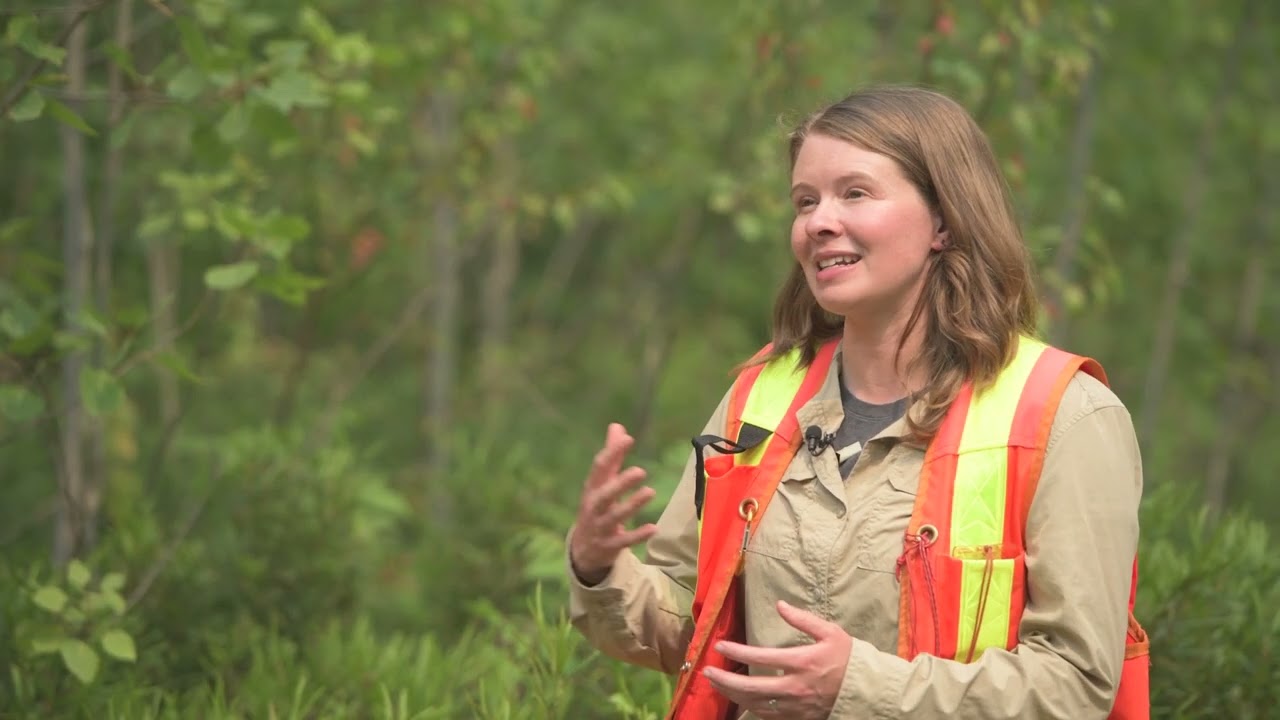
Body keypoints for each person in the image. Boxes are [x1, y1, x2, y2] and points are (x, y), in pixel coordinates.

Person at [566, 85, 1145, 719]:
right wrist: (600, 569)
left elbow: (1076, 683)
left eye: (856, 193)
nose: (818, 221)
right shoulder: (760, 396)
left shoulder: (1064, 415)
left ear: (945, 220)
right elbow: (700, 631)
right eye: (805, 201)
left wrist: (860, 687)